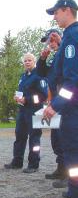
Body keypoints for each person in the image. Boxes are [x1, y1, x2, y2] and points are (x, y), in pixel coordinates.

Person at [43, 0, 78, 198]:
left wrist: (56, 105)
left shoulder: (73, 37)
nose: (55, 17)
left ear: (67, 10)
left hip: (73, 109)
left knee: (73, 155)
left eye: (56, 12)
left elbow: (72, 81)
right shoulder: (69, 37)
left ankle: (74, 197)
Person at [4, 53, 48, 173]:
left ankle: (34, 164)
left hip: (35, 111)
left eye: (29, 60)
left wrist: (27, 99)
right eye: (25, 61)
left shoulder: (39, 75)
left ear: (34, 62)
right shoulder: (23, 76)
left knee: (34, 138)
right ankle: (17, 162)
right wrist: (18, 97)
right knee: (19, 136)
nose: (27, 62)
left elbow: (43, 96)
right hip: (22, 111)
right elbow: (21, 92)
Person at [36, 29, 67, 181]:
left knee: (67, 139)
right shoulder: (55, 58)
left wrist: (61, 43)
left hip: (66, 102)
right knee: (56, 139)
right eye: (49, 42)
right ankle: (61, 169)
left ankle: (69, 177)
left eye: (52, 40)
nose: (51, 44)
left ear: (59, 38)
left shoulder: (66, 52)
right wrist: (42, 59)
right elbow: (42, 73)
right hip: (56, 102)